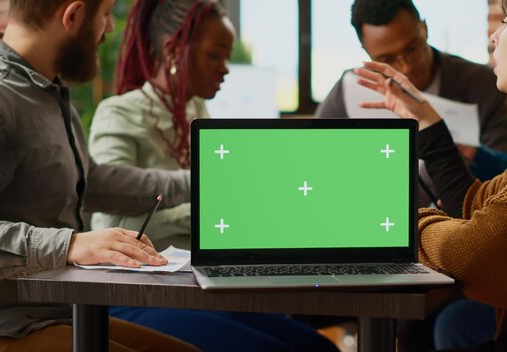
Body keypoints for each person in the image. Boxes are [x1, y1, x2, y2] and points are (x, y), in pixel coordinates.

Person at [88, 1, 339, 351]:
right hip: (138, 291)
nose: (225, 69)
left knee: (318, 347)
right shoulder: (119, 114)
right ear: (174, 50)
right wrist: (220, 214)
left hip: (198, 284)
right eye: (215, 56)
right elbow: (114, 223)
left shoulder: (197, 113)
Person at [355, 0, 507, 350]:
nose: (494, 38)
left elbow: (474, 258)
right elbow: (473, 204)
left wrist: (402, 226)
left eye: (506, 21)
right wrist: (426, 118)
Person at [0, 0, 200, 351]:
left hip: (59, 312)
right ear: (74, 15)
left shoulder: (47, 91)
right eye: (106, 14)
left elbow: (89, 182)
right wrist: (72, 244)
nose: (109, 28)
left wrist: (200, 181)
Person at [316, 1, 507, 349]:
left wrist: (468, 152)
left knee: (426, 324)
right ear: (366, 52)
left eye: (412, 48)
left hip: (457, 252)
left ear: (424, 27)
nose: (407, 66)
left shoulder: (483, 84)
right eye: (389, 59)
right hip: (374, 244)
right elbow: (314, 167)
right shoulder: (349, 91)